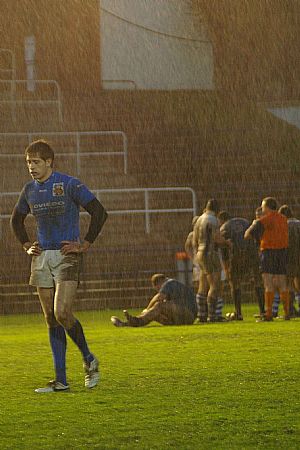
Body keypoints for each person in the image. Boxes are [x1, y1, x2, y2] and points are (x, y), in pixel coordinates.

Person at [10, 140, 107, 393]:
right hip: (41, 257)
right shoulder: (29, 190)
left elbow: (99, 212)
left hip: (67, 254)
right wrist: (26, 245)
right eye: (28, 162)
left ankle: (88, 359)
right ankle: (61, 381)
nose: (31, 167)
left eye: (36, 162)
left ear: (49, 162)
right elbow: (16, 220)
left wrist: (85, 244)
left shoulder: (69, 184)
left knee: (62, 312)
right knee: (51, 318)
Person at [244, 197, 289, 321]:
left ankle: (268, 313)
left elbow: (248, 234)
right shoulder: (283, 219)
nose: (262, 209)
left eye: (263, 206)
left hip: (268, 252)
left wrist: (254, 225)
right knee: (282, 283)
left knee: (268, 284)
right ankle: (287, 312)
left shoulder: (265, 219)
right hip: (282, 252)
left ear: (268, 207)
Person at [218, 211, 265, 320]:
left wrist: (226, 269)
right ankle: (262, 310)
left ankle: (238, 313)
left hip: (236, 255)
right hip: (252, 253)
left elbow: (224, 249)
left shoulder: (224, 227)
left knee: (235, 283)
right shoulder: (245, 222)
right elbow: (256, 236)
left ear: (221, 220)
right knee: (257, 281)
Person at [192, 199, 231, 322]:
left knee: (202, 285)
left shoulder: (199, 219)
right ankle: (212, 316)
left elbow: (194, 239)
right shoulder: (212, 220)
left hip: (200, 252)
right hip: (210, 252)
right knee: (215, 285)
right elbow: (216, 238)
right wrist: (227, 243)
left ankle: (201, 314)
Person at [111, 274, 197, 327]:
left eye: (157, 289)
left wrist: (146, 310)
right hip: (185, 316)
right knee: (154, 314)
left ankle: (137, 320)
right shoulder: (173, 285)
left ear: (158, 283)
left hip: (188, 314)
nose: (158, 290)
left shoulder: (168, 283)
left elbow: (158, 298)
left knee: (158, 306)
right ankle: (125, 324)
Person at [278, 205, 300, 317]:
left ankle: (290, 309)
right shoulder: (298, 223)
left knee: (289, 284)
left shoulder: (284, 224)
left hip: (290, 256)